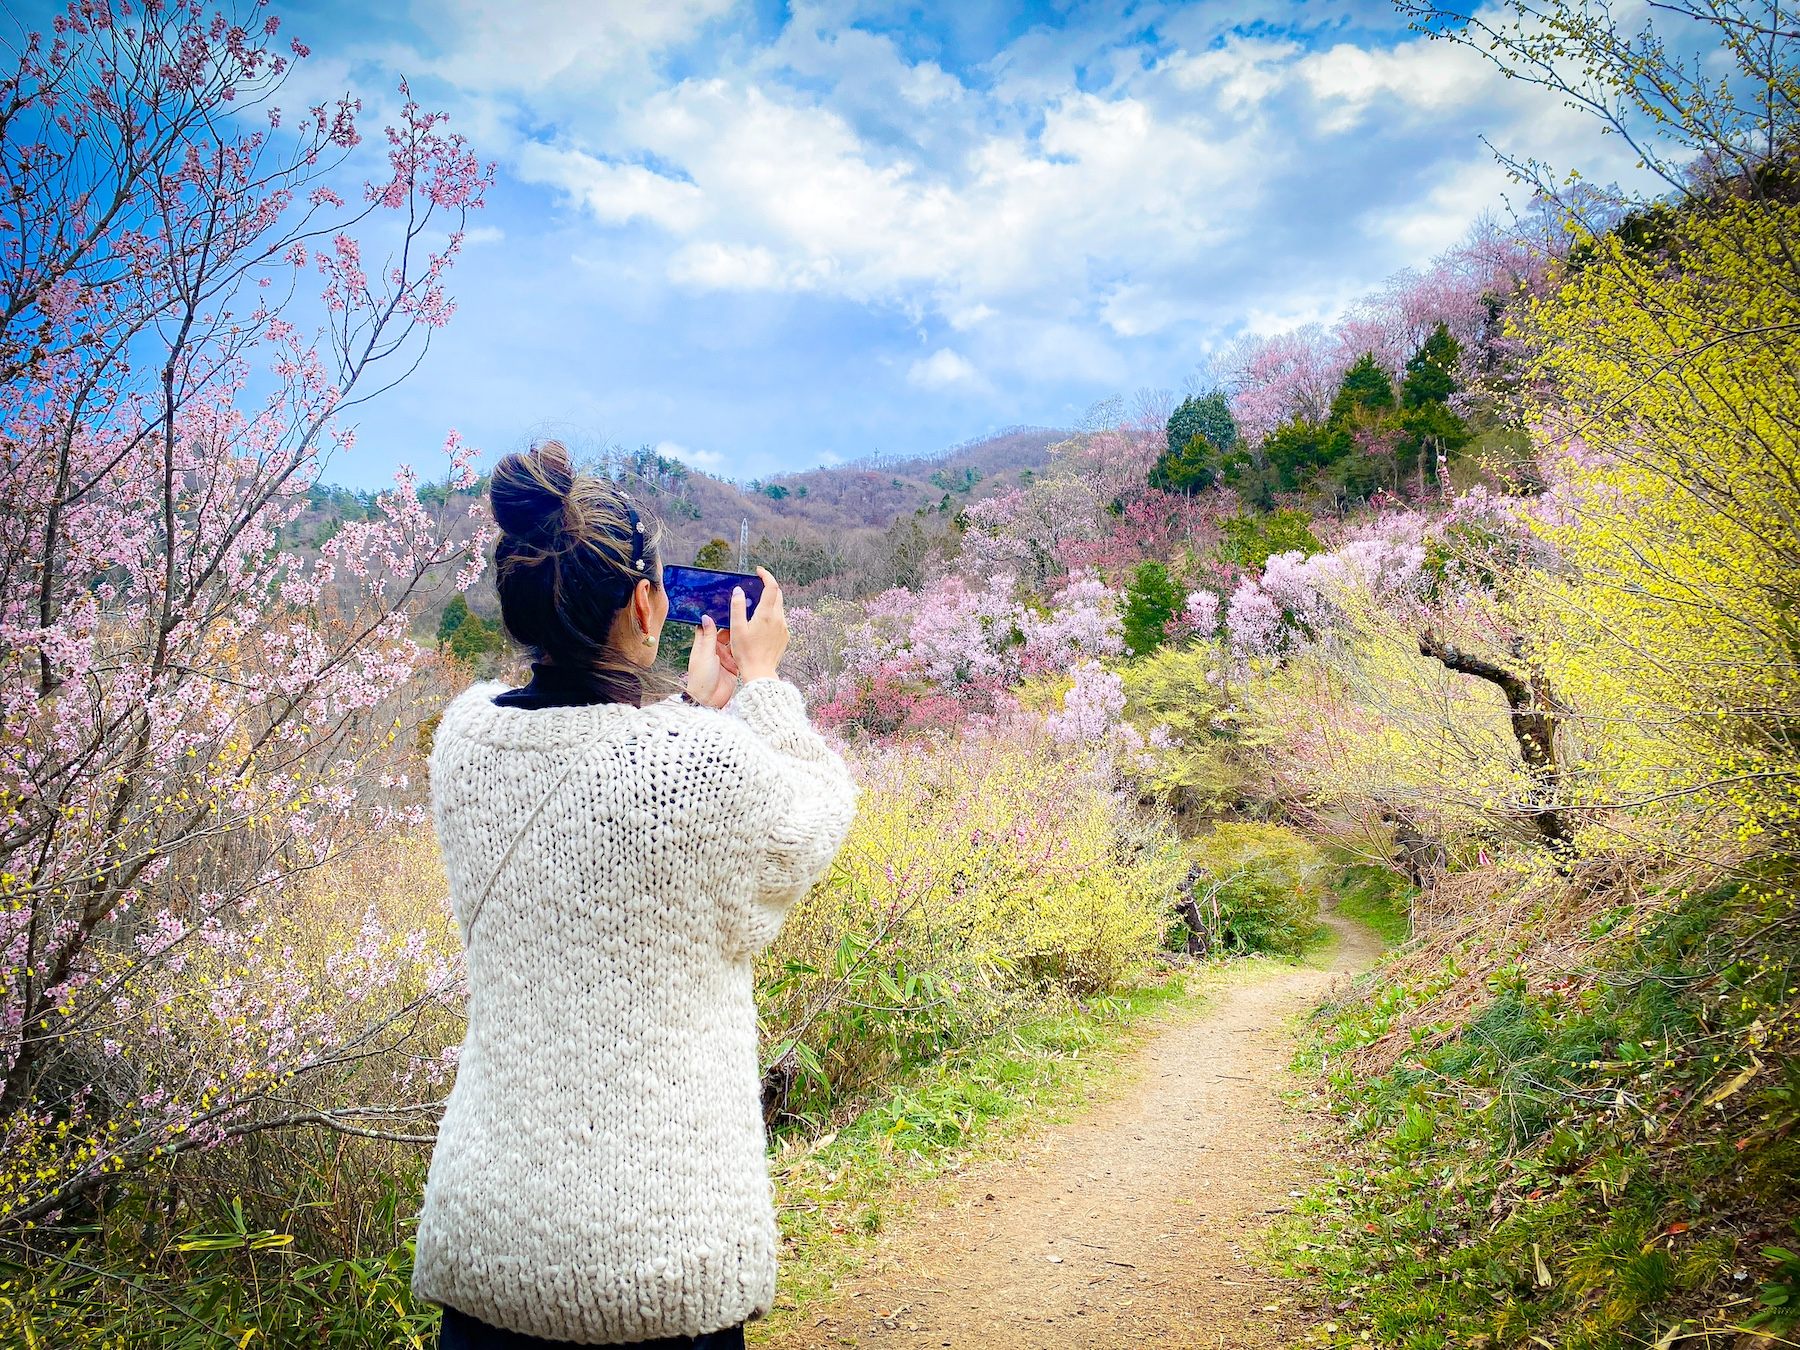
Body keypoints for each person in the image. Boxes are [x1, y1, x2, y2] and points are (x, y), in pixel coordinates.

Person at [412, 441, 859, 1348]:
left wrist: (696, 713)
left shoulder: (462, 740)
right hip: (659, 1259)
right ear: (649, 604)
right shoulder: (700, 764)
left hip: (491, 1249)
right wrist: (763, 688)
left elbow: (598, 801)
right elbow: (816, 815)